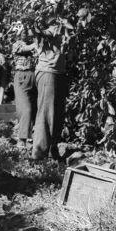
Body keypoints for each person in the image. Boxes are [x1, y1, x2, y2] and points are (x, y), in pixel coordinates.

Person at [32, 26, 68, 161]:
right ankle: (39, 154)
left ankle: (52, 148)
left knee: (58, 113)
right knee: (46, 113)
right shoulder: (52, 27)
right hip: (48, 72)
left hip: (58, 73)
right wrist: (35, 26)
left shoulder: (63, 26)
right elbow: (42, 33)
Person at [11, 24, 37, 149]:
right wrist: (38, 42)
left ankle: (31, 138)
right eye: (23, 32)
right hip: (22, 76)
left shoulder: (32, 44)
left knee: (34, 109)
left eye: (27, 32)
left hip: (33, 76)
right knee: (25, 109)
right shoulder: (17, 44)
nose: (26, 34)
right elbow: (25, 48)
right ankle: (22, 139)